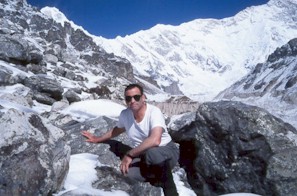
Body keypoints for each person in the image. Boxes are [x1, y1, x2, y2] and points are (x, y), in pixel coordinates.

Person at [81, 83, 179, 196]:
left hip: (166, 151)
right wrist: (97, 139)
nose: (132, 101)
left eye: (136, 97)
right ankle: (158, 177)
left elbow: (155, 140)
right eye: (128, 98)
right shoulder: (125, 114)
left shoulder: (154, 112)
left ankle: (171, 192)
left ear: (143, 97)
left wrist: (129, 155)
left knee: (153, 153)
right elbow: (117, 130)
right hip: (144, 154)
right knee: (127, 172)